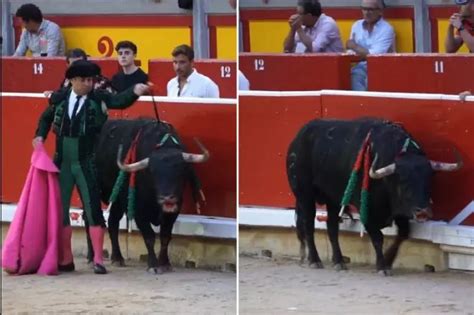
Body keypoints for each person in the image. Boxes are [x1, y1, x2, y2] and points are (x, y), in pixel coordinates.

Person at [32, 60, 151, 275]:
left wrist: (135, 91)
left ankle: (97, 258)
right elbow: (45, 118)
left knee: (93, 208)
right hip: (62, 163)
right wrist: (39, 136)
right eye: (84, 80)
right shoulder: (59, 98)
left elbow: (120, 101)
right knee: (60, 211)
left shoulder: (99, 99)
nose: (89, 84)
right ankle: (65, 258)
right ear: (73, 81)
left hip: (86, 162)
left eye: (91, 80)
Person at [347, 0, 395, 91]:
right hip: (359, 66)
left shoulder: (387, 28)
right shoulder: (356, 25)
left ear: (380, 11)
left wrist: (354, 46)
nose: (366, 13)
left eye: (370, 9)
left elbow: (375, 56)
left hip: (381, 67)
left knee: (367, 78)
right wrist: (360, 52)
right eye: (364, 9)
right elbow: (351, 53)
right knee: (352, 75)